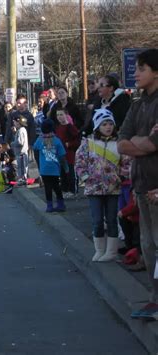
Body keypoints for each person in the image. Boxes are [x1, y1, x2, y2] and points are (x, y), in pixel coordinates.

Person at [117, 48, 158, 318]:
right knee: (148, 246)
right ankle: (155, 299)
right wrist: (147, 145)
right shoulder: (137, 104)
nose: (136, 73)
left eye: (141, 68)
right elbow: (121, 142)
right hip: (141, 185)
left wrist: (141, 144)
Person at [76, 109, 124, 262]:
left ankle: (111, 252)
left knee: (111, 220)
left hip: (113, 188)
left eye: (110, 123)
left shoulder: (118, 143)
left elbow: (126, 162)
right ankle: (99, 250)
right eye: (104, 124)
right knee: (97, 220)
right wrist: (86, 177)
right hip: (94, 188)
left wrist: (121, 177)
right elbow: (79, 162)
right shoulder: (88, 143)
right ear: (97, 125)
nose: (108, 127)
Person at [33, 119, 67, 212]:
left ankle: (49, 206)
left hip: (44, 169)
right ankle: (60, 204)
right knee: (56, 186)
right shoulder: (56, 141)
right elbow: (62, 155)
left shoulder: (40, 140)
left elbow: (34, 147)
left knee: (47, 187)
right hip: (55, 168)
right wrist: (66, 167)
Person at [55, 108, 81, 197]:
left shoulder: (70, 127)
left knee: (70, 173)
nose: (59, 117)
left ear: (66, 115)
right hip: (60, 155)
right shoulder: (58, 127)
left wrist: (69, 144)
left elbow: (78, 140)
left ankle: (72, 190)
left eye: (61, 114)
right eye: (58, 115)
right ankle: (64, 190)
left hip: (69, 154)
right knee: (63, 174)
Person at [11, 115, 29, 185]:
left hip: (21, 153)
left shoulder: (21, 130)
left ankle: (22, 180)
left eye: (14, 122)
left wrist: (12, 143)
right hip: (21, 152)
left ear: (18, 122)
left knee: (22, 168)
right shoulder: (21, 130)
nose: (14, 123)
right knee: (21, 167)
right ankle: (22, 179)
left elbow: (20, 142)